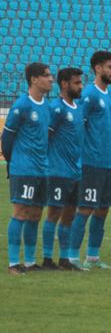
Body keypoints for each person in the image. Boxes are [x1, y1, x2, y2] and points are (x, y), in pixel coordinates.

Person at [3, 63, 53, 274]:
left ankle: (31, 261)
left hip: (42, 169)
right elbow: (6, 139)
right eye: (47, 76)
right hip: (24, 168)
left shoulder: (46, 106)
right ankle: (14, 262)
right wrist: (13, 164)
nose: (51, 79)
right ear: (34, 79)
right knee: (21, 212)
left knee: (35, 214)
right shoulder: (22, 105)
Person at [69, 51, 111, 270]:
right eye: (110, 67)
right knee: (85, 209)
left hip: (105, 163)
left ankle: (93, 256)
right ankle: (71, 256)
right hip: (90, 162)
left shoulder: (107, 95)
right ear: (98, 69)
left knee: (102, 209)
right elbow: (78, 126)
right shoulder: (89, 94)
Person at [42, 68, 84, 270]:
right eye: (77, 83)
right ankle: (48, 258)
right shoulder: (56, 108)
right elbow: (45, 138)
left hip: (75, 171)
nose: (80, 86)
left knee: (70, 215)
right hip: (58, 171)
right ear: (65, 84)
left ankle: (65, 259)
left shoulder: (77, 108)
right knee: (53, 214)